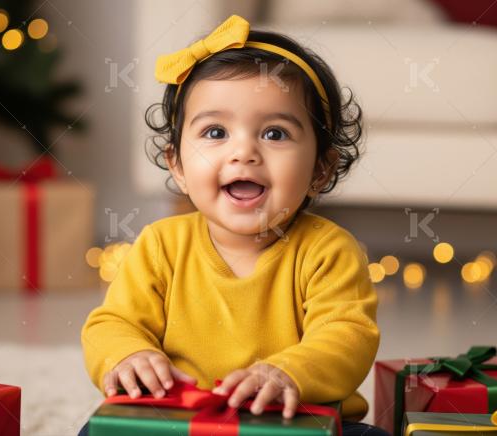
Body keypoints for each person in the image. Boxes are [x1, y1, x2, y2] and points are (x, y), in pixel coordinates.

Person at [79, 15, 388, 436]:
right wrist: (127, 356)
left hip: (292, 421)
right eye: (216, 131)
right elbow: (111, 324)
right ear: (178, 165)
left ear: (321, 168)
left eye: (276, 134)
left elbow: (347, 336)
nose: (244, 152)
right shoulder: (161, 244)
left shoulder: (328, 250)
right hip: (183, 420)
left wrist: (287, 373)